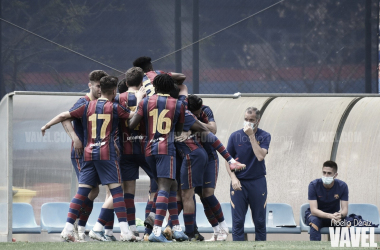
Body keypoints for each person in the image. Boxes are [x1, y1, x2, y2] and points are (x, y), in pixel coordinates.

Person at [41, 76, 143, 242]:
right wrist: (138, 98)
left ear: (100, 89)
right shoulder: (115, 107)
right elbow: (135, 115)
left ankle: (67, 229)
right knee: (117, 192)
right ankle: (125, 232)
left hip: (88, 153)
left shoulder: (87, 105)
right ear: (114, 91)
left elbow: (63, 115)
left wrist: (46, 125)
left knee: (82, 192)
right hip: (107, 153)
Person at [41, 70, 107, 242]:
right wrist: (76, 139)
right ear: (90, 85)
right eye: (98, 86)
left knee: (94, 190)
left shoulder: (103, 102)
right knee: (87, 189)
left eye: (103, 86)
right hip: (80, 153)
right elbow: (65, 118)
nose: (100, 89)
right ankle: (71, 227)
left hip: (93, 152)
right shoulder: (83, 102)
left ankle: (79, 227)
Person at [128, 74, 188, 242]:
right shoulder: (178, 104)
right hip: (165, 149)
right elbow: (178, 131)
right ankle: (156, 231)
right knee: (164, 187)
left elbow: (132, 125)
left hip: (148, 150)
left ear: (155, 87)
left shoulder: (146, 102)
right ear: (171, 88)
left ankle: (176, 228)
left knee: (172, 185)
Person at [116, 67, 158, 238]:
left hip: (125, 149)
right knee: (158, 185)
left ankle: (132, 228)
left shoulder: (118, 98)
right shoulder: (149, 99)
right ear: (142, 82)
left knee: (128, 191)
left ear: (126, 83)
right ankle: (150, 224)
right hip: (145, 148)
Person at [226, 107, 271, 241]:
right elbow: (228, 160)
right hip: (239, 182)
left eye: (251, 120)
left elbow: (260, 156)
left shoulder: (265, 136)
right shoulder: (235, 136)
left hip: (257, 182)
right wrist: (233, 177)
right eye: (246, 119)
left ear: (258, 120)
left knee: (260, 221)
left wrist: (251, 136)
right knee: (238, 221)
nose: (248, 122)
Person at [305, 160, 349, 241]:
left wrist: (340, 215)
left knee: (346, 222)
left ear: (335, 175)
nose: (326, 175)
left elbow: (345, 209)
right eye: (324, 172)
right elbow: (314, 210)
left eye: (329, 173)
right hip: (317, 216)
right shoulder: (313, 185)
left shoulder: (343, 186)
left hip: (334, 216)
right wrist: (329, 216)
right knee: (314, 221)